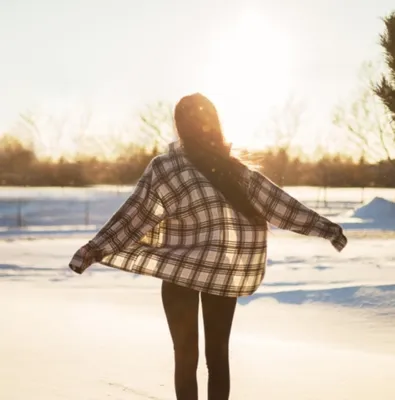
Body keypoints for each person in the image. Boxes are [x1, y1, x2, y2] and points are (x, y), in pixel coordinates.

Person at [69, 93, 347, 400]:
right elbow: (135, 214)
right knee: (194, 358)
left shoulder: (228, 170)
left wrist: (325, 228)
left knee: (212, 358)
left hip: (208, 275)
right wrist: (94, 249)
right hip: (188, 275)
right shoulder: (179, 168)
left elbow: (277, 204)